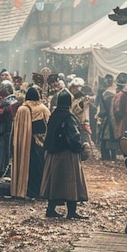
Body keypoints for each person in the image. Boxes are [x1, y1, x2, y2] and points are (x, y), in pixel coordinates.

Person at [40, 89, 89, 219]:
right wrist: (80, 147)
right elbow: (73, 136)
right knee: (71, 183)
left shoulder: (54, 115)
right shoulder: (68, 117)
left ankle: (50, 209)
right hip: (67, 155)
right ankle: (71, 212)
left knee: (54, 183)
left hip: (53, 154)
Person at [11, 86, 50, 199]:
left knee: (27, 165)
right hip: (39, 143)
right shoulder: (43, 109)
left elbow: (16, 130)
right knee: (39, 167)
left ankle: (24, 189)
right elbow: (47, 125)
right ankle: (38, 191)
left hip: (24, 143)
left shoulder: (22, 109)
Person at [96, 74, 118, 160]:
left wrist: (100, 115)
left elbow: (102, 111)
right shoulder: (117, 93)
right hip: (115, 118)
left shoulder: (104, 94)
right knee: (113, 136)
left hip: (107, 119)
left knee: (105, 136)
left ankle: (105, 156)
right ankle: (113, 156)